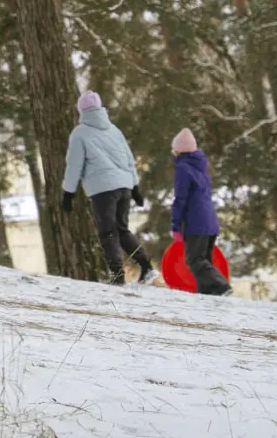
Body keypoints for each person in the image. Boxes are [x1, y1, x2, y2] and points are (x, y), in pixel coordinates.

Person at [63, 91, 158, 286]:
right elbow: (129, 160)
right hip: (124, 187)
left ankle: (117, 276)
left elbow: (74, 166)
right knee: (122, 230)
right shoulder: (114, 130)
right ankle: (147, 268)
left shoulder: (79, 133)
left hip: (103, 190)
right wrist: (135, 188)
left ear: (81, 111)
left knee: (108, 232)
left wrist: (68, 192)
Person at [170, 128, 231, 296]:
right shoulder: (201, 167)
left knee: (195, 260)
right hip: (210, 222)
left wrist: (175, 226)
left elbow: (180, 200)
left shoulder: (183, 168)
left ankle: (221, 285)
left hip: (196, 223)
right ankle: (208, 297)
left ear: (178, 150)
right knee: (205, 261)